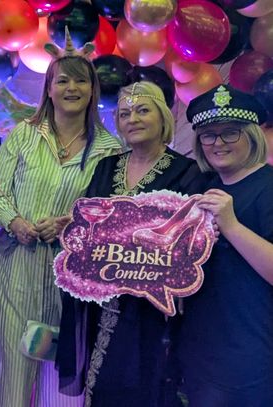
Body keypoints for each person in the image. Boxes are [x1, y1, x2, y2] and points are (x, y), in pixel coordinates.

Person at [0, 33, 121, 407]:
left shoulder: (109, 150)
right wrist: (15, 222)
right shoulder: (23, 135)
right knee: (10, 364)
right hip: (15, 268)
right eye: (63, 80)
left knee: (59, 370)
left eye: (81, 80)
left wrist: (70, 225)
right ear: (49, 89)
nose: (72, 88)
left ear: (92, 89)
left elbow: (110, 215)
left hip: (70, 277)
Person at [56, 81, 208, 407]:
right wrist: (71, 227)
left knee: (144, 384)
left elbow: (189, 240)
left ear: (162, 117)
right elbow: (89, 221)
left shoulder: (187, 172)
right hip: (100, 299)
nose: (133, 119)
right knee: (102, 385)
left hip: (151, 309)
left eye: (142, 110)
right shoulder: (106, 167)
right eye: (124, 114)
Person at [177, 84, 273, 406]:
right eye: (208, 135)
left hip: (252, 358)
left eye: (230, 132)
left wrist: (231, 225)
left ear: (252, 135)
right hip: (201, 352)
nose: (218, 143)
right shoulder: (202, 187)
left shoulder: (269, 186)